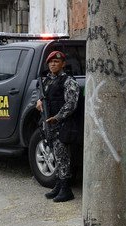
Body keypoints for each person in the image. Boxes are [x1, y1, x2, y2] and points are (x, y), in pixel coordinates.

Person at [34, 50, 81, 203]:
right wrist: (39, 102)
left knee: (63, 157)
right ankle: (59, 186)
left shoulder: (68, 81)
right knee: (56, 156)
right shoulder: (47, 81)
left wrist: (58, 117)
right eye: (51, 62)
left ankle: (66, 190)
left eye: (56, 62)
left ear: (63, 64)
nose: (53, 64)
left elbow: (71, 103)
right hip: (50, 124)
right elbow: (41, 97)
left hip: (63, 124)